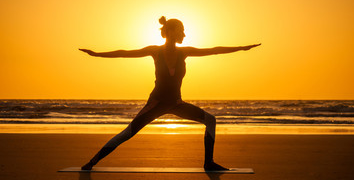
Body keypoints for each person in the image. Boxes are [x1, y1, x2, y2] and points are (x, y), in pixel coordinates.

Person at [79, 16, 261, 171]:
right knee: (128, 133)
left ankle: (208, 163)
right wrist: (96, 54)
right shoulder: (155, 51)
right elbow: (124, 53)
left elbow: (214, 50)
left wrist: (242, 48)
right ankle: (92, 162)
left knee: (210, 120)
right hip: (156, 103)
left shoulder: (184, 52)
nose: (184, 34)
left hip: (176, 103)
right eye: (182, 30)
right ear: (172, 31)